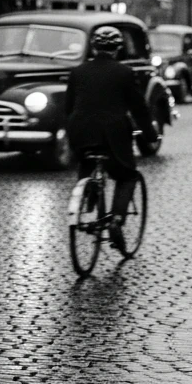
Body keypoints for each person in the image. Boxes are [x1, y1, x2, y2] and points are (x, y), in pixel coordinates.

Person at [65, 26, 159, 251]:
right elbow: (139, 108)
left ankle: (88, 198)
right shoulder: (124, 73)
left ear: (94, 47)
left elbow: (68, 108)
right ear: (118, 49)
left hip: (81, 131)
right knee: (127, 175)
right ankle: (116, 219)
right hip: (113, 134)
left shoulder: (78, 72)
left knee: (87, 163)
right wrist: (150, 135)